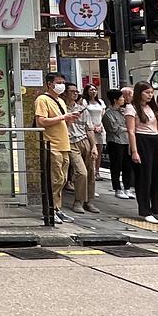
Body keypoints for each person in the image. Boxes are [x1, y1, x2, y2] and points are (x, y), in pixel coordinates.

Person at [34, 72, 86, 224]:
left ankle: (57, 208)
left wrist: (70, 118)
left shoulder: (61, 102)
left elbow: (63, 123)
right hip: (51, 144)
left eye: (63, 82)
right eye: (59, 82)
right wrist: (64, 117)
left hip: (64, 144)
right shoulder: (42, 100)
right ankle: (50, 209)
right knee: (54, 179)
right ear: (50, 84)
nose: (61, 85)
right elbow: (41, 121)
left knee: (62, 179)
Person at [126, 81, 158, 223]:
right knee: (145, 177)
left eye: (151, 92)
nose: (150, 95)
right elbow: (131, 131)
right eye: (147, 92)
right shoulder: (131, 108)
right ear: (139, 93)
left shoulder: (152, 108)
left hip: (155, 140)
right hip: (141, 140)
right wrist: (134, 151)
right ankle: (145, 210)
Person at [64, 83, 100, 214]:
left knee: (91, 172)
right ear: (66, 93)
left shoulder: (83, 109)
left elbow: (89, 129)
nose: (75, 94)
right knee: (81, 172)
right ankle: (78, 201)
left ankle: (89, 201)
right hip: (71, 142)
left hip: (85, 141)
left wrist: (94, 146)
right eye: (72, 91)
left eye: (76, 91)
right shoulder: (62, 109)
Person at [102, 88, 134, 199]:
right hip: (115, 142)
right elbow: (114, 128)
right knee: (116, 165)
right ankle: (117, 188)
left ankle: (127, 188)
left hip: (125, 141)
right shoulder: (108, 114)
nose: (123, 99)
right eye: (121, 98)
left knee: (127, 165)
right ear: (115, 100)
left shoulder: (123, 111)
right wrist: (128, 129)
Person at [83, 84, 106, 181]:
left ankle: (97, 171)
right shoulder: (85, 102)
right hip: (89, 128)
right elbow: (84, 115)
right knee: (91, 150)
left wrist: (100, 125)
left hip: (100, 127)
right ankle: (90, 171)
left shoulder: (100, 102)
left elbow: (103, 115)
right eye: (91, 89)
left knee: (99, 151)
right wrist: (92, 126)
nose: (93, 91)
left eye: (95, 89)